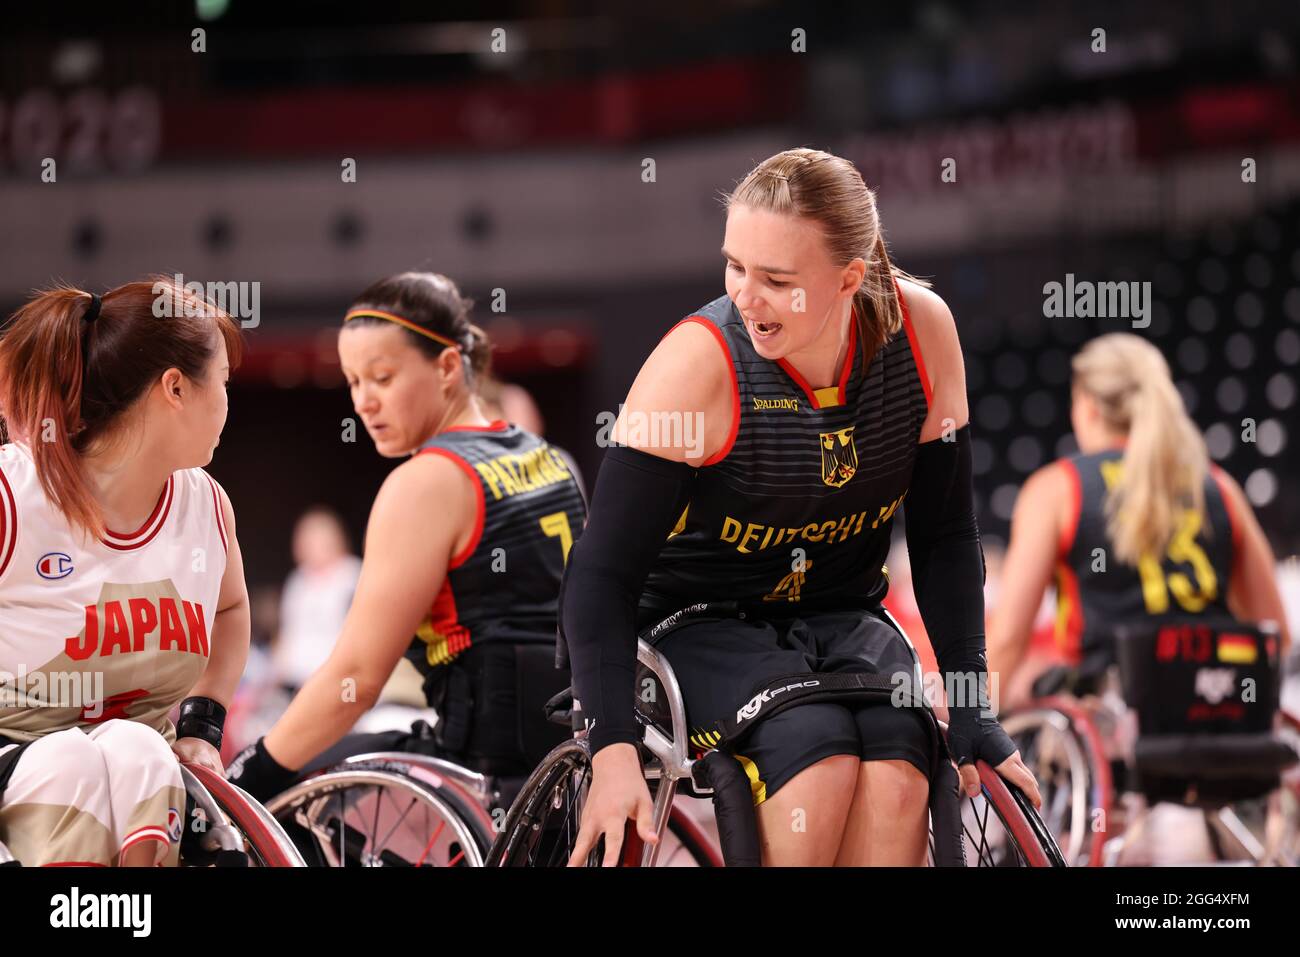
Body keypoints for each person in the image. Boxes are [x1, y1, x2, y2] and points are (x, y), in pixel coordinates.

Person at [560, 148, 1039, 867]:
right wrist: (613, 750)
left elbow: (943, 537)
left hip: (840, 611)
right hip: (694, 618)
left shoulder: (923, 332)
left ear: (850, 277)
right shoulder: (696, 364)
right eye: (735, 267)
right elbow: (598, 578)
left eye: (777, 280)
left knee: (900, 755)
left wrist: (974, 708)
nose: (746, 297)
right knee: (814, 749)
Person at [226, 272, 586, 800]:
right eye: (353, 381)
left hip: (481, 763)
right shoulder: (551, 458)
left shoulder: (426, 481)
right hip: (569, 753)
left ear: (445, 367)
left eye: (382, 377)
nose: (363, 402)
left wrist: (251, 768)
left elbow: (356, 682)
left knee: (275, 793)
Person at [0, 278, 249, 866]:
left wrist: (203, 724)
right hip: (18, 753)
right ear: (176, 388)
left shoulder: (207, 507)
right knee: (68, 765)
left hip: (142, 767)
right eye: (224, 384)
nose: (229, 402)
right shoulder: (15, 495)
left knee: (140, 749)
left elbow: (232, 610)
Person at [986, 332, 1292, 695]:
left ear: (1088, 407)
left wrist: (969, 723)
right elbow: (1275, 632)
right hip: (1214, 702)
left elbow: (1007, 641)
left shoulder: (1058, 490)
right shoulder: (1218, 485)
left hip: (1111, 710)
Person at [270, 507, 362, 695]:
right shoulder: (298, 580)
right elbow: (288, 632)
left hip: (335, 677)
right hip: (294, 678)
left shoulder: (352, 576)